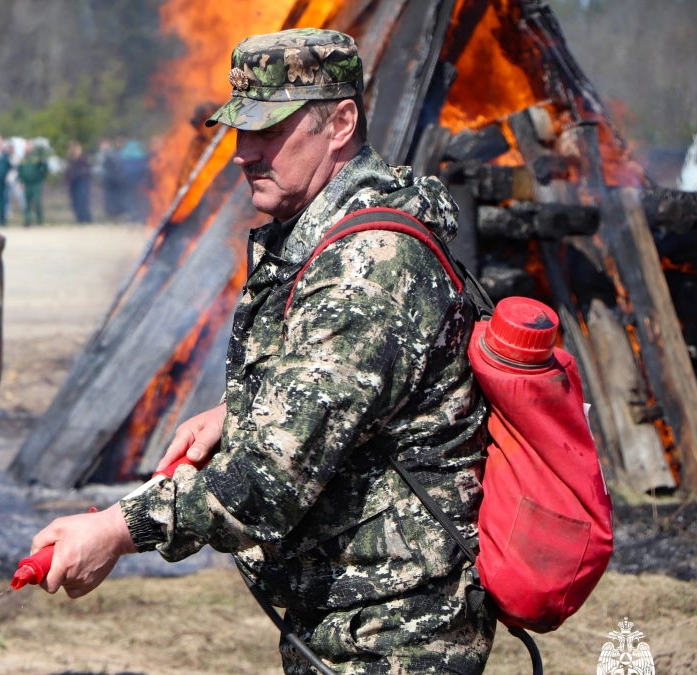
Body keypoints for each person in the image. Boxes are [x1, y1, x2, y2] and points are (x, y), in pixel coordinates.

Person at [30, 29, 494, 675]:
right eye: (240, 131)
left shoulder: (368, 266)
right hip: (353, 611)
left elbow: (270, 479)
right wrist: (240, 411)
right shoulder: (332, 233)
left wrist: (113, 529)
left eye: (269, 131)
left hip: (395, 628)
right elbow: (342, 389)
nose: (244, 153)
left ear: (341, 123)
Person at [17, 140, 49, 227]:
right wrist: (20, 181)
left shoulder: (37, 157)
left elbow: (44, 167)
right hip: (26, 184)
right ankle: (27, 221)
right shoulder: (23, 159)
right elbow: (20, 171)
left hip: (36, 183)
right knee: (27, 203)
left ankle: (40, 221)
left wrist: (42, 177)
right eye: (26, 146)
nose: (27, 148)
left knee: (37, 201)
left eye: (29, 146)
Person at [65, 141, 92, 224]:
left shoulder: (83, 159)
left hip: (82, 183)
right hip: (74, 184)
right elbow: (68, 173)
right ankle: (80, 219)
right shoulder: (71, 161)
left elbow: (86, 171)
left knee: (82, 202)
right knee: (75, 202)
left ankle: (86, 219)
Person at [98, 139, 123, 221]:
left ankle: (115, 213)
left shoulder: (110, 153)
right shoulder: (105, 153)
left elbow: (116, 166)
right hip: (109, 179)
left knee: (113, 197)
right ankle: (111, 214)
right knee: (109, 197)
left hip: (112, 180)